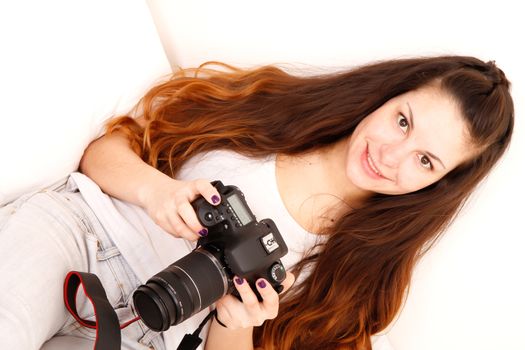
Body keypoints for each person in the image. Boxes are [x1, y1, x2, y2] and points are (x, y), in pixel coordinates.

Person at [0, 56, 514, 350]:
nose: (391, 155)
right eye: (402, 121)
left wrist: (235, 321)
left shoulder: (362, 279)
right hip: (82, 236)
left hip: (149, 336)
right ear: (387, 95)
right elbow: (106, 151)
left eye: (425, 161)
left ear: (440, 184)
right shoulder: (275, 108)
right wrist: (156, 191)